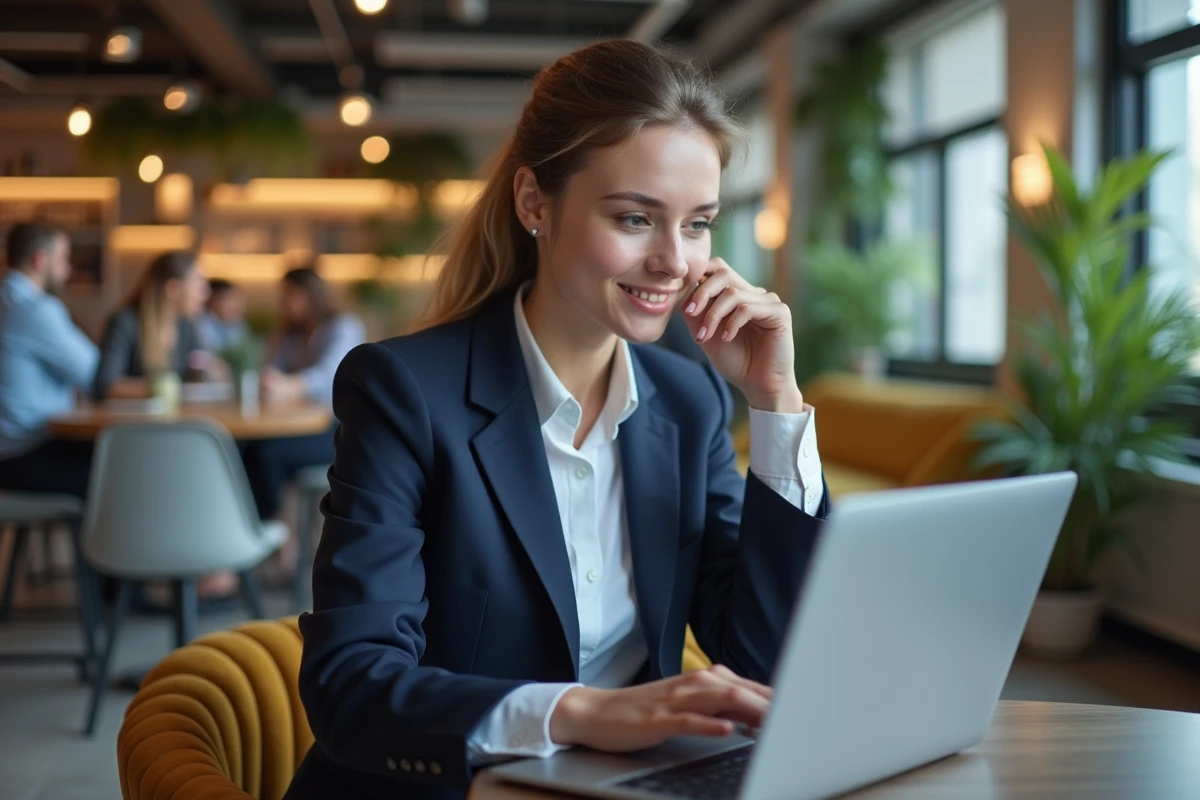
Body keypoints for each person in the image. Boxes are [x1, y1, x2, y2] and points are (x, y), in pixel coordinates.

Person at [286, 40, 829, 800]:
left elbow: (766, 659)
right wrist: (582, 715)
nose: (676, 261)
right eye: (636, 218)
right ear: (534, 203)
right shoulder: (405, 392)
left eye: (698, 223)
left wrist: (777, 405)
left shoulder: (687, 400)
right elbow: (352, 686)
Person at [240, 267, 364, 545]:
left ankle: (283, 539)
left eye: (288, 295)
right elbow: (271, 369)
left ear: (309, 295)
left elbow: (331, 375)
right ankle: (268, 534)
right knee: (245, 449)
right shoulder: (290, 333)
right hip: (300, 428)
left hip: (337, 431)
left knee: (265, 454)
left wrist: (288, 385)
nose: (282, 303)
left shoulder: (343, 326)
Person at [0, 224, 99, 497]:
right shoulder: (36, 309)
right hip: (25, 454)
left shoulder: (7, 302)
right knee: (118, 468)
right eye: (64, 261)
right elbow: (97, 374)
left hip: (9, 455)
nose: (68, 271)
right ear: (40, 260)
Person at [93, 251, 211, 400]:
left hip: (174, 420)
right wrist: (159, 388)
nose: (205, 293)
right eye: (198, 284)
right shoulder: (125, 323)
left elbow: (198, 370)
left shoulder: (186, 328)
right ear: (173, 289)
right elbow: (106, 385)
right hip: (130, 421)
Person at [195, 278, 249, 353]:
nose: (234, 306)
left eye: (236, 300)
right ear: (211, 300)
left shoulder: (239, 325)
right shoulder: (199, 325)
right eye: (228, 299)